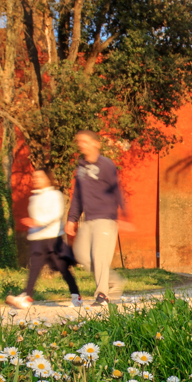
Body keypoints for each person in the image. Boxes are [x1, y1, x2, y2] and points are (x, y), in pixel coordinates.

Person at [65, 130, 131, 306]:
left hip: (106, 219)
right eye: (80, 142)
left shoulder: (106, 165)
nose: (81, 145)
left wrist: (124, 215)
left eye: (85, 141)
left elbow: (117, 189)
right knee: (81, 254)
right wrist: (72, 219)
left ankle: (102, 295)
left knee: (99, 256)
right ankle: (114, 281)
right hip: (88, 219)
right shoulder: (81, 168)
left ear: (96, 144)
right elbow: (77, 196)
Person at [6, 168, 81, 311]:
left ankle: (76, 295)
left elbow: (56, 213)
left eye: (39, 177)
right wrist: (33, 226)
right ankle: (26, 297)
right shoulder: (34, 198)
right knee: (34, 268)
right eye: (34, 177)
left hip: (53, 239)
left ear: (47, 178)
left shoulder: (55, 195)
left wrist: (39, 222)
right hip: (37, 239)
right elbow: (33, 219)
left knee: (63, 269)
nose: (35, 179)